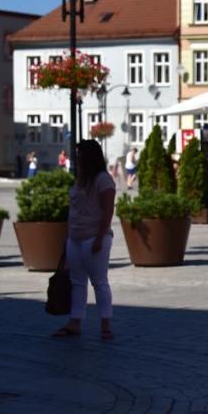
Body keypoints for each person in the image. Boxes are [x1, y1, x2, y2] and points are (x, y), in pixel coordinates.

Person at [52, 140, 116, 341]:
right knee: (77, 282)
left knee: (99, 282)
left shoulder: (103, 179)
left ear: (90, 157)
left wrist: (99, 238)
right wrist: (67, 239)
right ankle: (75, 322)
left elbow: (108, 211)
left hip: (94, 238)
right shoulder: (81, 179)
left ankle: (105, 324)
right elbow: (74, 211)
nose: (77, 158)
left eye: (80, 155)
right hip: (76, 238)